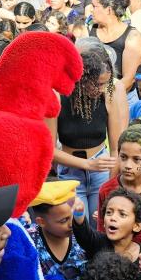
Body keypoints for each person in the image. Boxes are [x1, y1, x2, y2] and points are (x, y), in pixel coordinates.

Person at [46, 45, 123, 219]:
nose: (103, 89)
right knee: (78, 227)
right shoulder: (57, 96)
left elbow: (116, 148)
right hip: (70, 173)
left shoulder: (109, 93)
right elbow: (48, 150)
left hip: (102, 170)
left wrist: (110, 183)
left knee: (98, 226)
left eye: (106, 83)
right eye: (98, 84)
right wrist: (87, 165)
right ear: (82, 78)